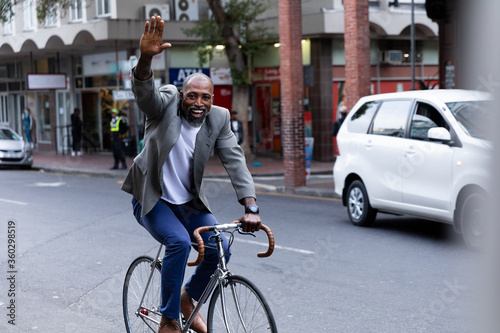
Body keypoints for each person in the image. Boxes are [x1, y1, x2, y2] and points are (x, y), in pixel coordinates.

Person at [121, 16, 261, 333]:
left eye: (206, 97)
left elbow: (235, 160)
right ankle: (169, 319)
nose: (198, 103)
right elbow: (145, 94)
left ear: (213, 99)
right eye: (192, 95)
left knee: (220, 247)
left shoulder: (219, 119)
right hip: (153, 199)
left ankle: (188, 299)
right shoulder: (165, 104)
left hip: (188, 204)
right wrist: (145, 59)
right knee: (179, 243)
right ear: (183, 94)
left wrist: (251, 206)